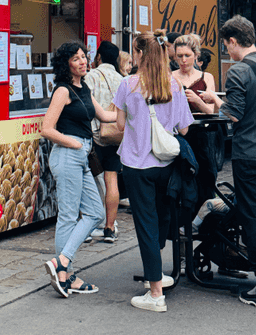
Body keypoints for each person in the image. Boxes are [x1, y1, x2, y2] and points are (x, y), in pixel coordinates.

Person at [202, 15, 256, 310]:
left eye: (226, 45)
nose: (227, 50)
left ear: (232, 41)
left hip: (249, 156)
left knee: (253, 220)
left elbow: (234, 115)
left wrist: (214, 102)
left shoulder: (237, 71)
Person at [113, 30, 193, 313]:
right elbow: (184, 128)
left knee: (145, 225)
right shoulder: (174, 85)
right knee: (161, 219)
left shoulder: (128, 84)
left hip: (136, 164)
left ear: (139, 54)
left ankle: (156, 292)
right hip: (167, 163)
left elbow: (120, 125)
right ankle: (156, 273)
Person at [42, 41, 116, 298]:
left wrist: (133, 104)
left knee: (95, 212)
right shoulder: (63, 90)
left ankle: (61, 262)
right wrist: (73, 142)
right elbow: (46, 128)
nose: (83, 61)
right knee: (69, 216)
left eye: (84, 57)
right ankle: (66, 274)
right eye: (76, 59)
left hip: (82, 157)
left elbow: (106, 116)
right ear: (67, 65)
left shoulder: (83, 88)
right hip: (68, 154)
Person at [171, 33, 220, 210]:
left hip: (201, 135)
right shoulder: (170, 76)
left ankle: (204, 221)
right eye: (179, 56)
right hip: (177, 135)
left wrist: (197, 101)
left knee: (204, 178)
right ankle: (181, 223)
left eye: (187, 55)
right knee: (180, 180)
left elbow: (212, 112)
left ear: (196, 55)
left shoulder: (206, 78)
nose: (183, 60)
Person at [85, 40, 123, 243]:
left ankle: (91, 225)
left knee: (90, 182)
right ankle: (110, 227)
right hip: (116, 135)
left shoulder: (90, 77)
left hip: (95, 135)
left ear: (98, 56)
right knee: (112, 180)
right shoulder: (121, 79)